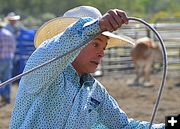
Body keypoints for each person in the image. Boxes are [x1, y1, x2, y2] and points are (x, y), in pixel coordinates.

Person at [9, 6, 165, 129]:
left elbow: (124, 126)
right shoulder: (44, 70)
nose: (101, 54)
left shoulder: (96, 91)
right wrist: (96, 26)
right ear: (75, 44)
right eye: (95, 44)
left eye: (103, 48)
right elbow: (53, 49)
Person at [0, 21, 16, 106]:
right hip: (9, 59)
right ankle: (8, 98)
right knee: (7, 79)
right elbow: (13, 47)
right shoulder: (9, 34)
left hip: (1, 59)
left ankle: (4, 94)